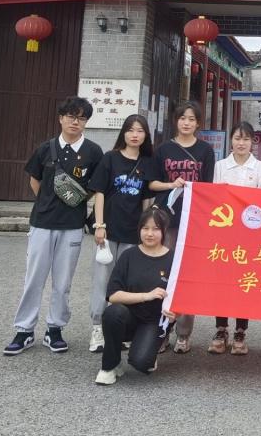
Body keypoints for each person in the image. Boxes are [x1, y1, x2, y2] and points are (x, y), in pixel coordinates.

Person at [4, 97, 104, 356]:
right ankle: (24, 330)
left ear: (86, 122)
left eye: (81, 118)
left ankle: (55, 328)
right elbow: (35, 181)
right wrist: (48, 202)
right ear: (60, 118)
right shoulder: (45, 149)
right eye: (70, 116)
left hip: (72, 225)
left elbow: (96, 188)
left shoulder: (93, 152)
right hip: (42, 223)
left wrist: (73, 202)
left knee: (63, 281)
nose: (75, 122)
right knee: (33, 278)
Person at [86, 114, 159, 354]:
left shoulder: (147, 163)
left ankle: (125, 329)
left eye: (140, 130)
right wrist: (99, 225)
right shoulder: (110, 158)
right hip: (108, 232)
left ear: (146, 135)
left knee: (130, 284)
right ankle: (97, 327)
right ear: (124, 133)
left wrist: (146, 232)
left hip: (132, 233)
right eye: (130, 130)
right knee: (102, 281)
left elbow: (147, 201)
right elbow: (99, 193)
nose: (135, 135)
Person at [148, 100, 216, 354]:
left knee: (187, 276)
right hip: (166, 221)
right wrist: (171, 185)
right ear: (175, 121)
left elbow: (208, 188)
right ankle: (161, 330)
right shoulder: (163, 149)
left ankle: (184, 333)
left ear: (198, 123)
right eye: (182, 118)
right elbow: (152, 183)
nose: (186, 123)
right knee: (163, 274)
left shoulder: (205, 151)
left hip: (193, 222)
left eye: (191, 119)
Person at [208, 121, 261, 355]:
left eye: (246, 139)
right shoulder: (221, 166)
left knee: (245, 282)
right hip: (224, 234)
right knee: (222, 282)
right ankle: (221, 329)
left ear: (253, 142)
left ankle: (241, 330)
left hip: (249, 236)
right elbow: (214, 199)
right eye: (237, 138)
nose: (241, 143)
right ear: (231, 140)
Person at [94, 208, 176, 384]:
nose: (150, 233)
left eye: (155, 229)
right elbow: (113, 295)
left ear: (164, 231)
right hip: (127, 316)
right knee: (112, 313)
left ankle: (148, 351)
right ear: (139, 229)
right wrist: (146, 296)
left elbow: (182, 297)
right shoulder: (129, 255)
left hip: (154, 321)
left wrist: (177, 313)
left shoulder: (173, 260)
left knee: (141, 362)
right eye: (145, 228)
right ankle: (110, 366)